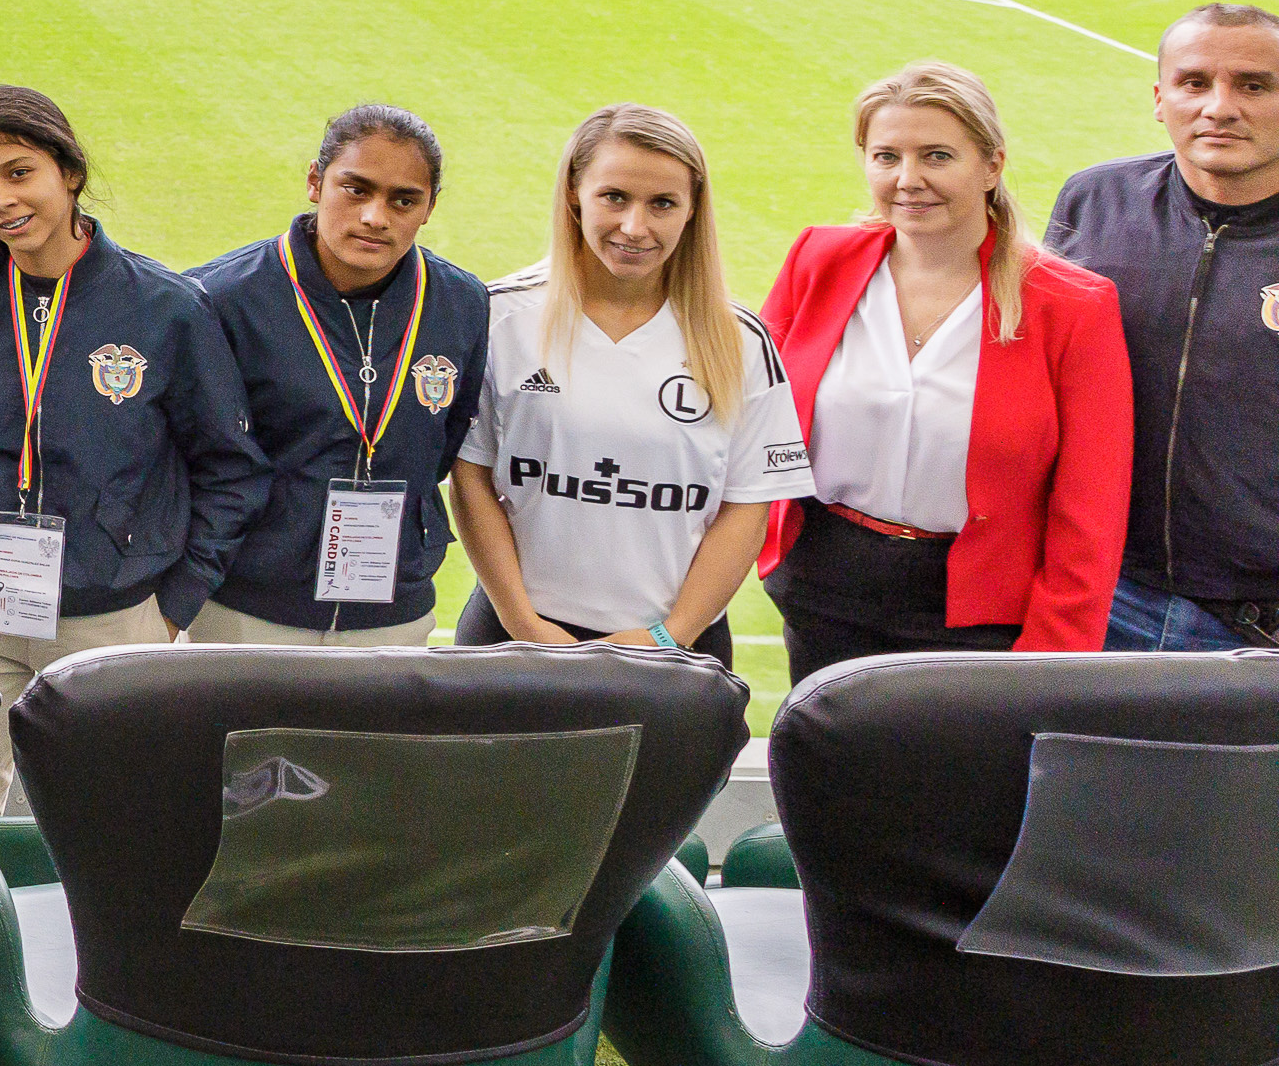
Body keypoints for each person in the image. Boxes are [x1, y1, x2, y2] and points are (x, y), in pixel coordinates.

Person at [0, 85, 263, 812]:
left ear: (68, 170)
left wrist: (173, 606)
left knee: (103, 816)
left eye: (18, 171)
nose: (0, 199)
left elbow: (231, 469)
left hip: (111, 615)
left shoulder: (166, 307)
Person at [758, 62, 1128, 678]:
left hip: (979, 615)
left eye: (936, 156)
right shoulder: (818, 260)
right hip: (821, 590)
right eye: (886, 157)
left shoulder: (1072, 305)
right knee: (829, 773)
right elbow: (752, 417)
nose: (908, 180)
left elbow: (1093, 508)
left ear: (991, 165)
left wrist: (1052, 658)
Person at [451, 104, 803, 671]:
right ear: (574, 193)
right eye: (614, 197)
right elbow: (470, 479)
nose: (635, 228)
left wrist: (670, 637)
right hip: (513, 636)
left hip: (675, 649)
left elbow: (747, 507)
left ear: (692, 211)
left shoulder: (738, 340)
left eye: (662, 203)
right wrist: (526, 626)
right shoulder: (498, 317)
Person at [188, 104, 489, 648]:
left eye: (404, 200)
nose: (377, 216)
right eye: (356, 189)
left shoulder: (461, 303)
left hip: (393, 613)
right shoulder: (219, 298)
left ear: (429, 208)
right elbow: (194, 457)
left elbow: (444, 442)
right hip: (245, 608)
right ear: (314, 182)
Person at [1045, 2, 1279, 652]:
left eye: (1254, 85)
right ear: (1160, 97)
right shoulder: (1095, 202)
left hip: (1257, 628)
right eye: (1195, 82)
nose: (1220, 106)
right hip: (1104, 600)